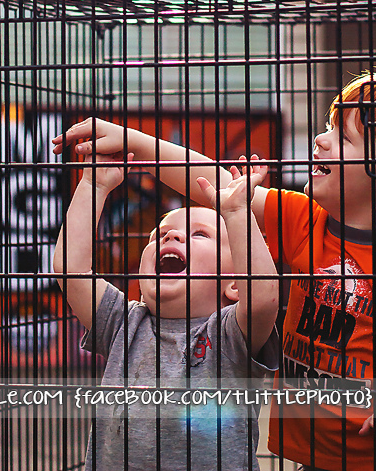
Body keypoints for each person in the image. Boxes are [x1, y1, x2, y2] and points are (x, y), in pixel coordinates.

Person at [57, 72, 376, 471]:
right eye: (328, 128)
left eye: (342, 138)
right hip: (313, 459)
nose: (320, 140)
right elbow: (213, 184)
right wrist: (134, 142)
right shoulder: (304, 222)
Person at [52, 144, 280, 471]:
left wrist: (237, 214)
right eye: (158, 235)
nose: (171, 235)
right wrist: (93, 185)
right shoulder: (122, 322)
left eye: (199, 234)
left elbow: (262, 297)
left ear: (234, 283)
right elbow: (70, 269)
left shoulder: (229, 334)